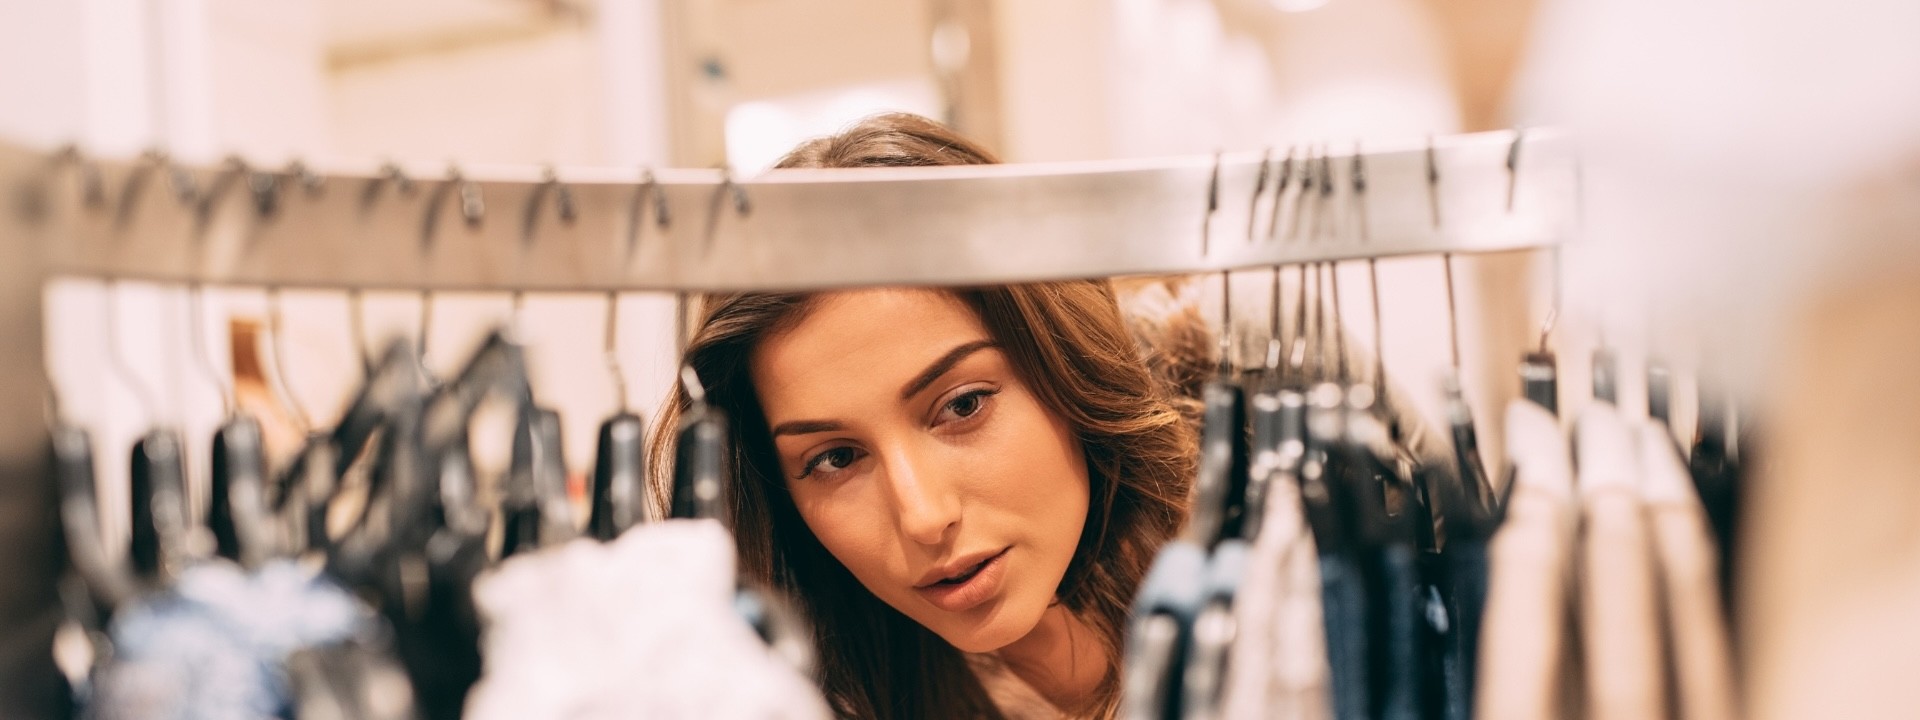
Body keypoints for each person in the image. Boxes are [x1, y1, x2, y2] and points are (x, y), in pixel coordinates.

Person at [647, 113, 1199, 719]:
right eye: (836, 458)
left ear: (1064, 367)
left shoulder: (1275, 566)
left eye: (962, 406)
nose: (923, 517)